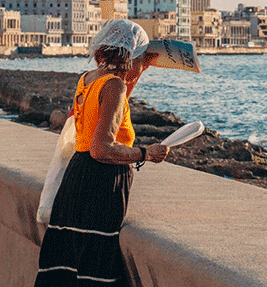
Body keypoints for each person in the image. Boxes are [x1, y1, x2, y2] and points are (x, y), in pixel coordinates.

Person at [34, 20, 169, 287]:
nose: (143, 63)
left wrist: (140, 71)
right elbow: (101, 148)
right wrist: (145, 153)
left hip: (77, 176)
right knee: (95, 262)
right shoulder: (114, 87)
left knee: (69, 265)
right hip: (101, 184)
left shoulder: (89, 79)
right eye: (141, 57)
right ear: (130, 56)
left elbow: (116, 101)